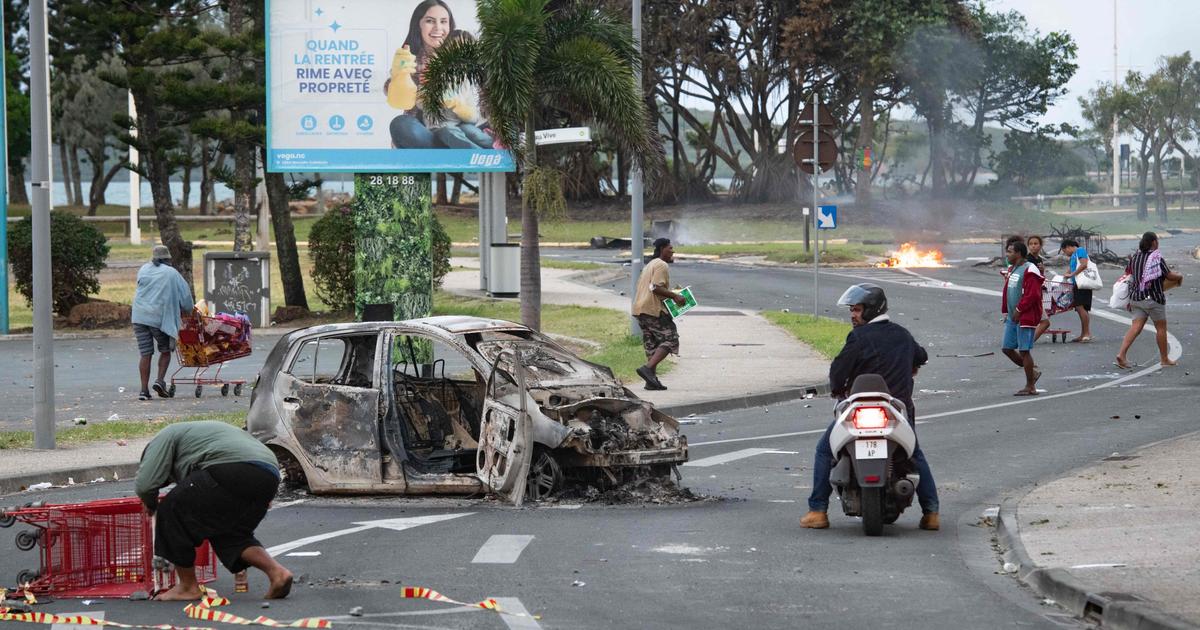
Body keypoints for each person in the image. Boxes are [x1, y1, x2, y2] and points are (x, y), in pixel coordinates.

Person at [800, 283, 940, 531]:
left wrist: (837, 390)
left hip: (859, 412)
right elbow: (922, 356)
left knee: (825, 451)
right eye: (851, 310)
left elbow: (838, 370)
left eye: (857, 310)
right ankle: (931, 514)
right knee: (913, 454)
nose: (853, 315)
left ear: (872, 310)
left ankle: (818, 511)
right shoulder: (902, 335)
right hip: (896, 412)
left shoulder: (859, 337)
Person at [136, 421, 293, 601]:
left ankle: (188, 587)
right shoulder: (198, 436)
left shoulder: (162, 439)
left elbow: (145, 484)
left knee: (171, 510)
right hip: (268, 474)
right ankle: (278, 573)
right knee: (230, 533)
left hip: (232, 467)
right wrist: (262, 492)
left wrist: (151, 503)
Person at [386, 0, 491, 149]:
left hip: (469, 126)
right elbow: (406, 102)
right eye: (430, 21)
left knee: (477, 131)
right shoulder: (409, 59)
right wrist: (400, 76)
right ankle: (452, 154)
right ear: (418, 25)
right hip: (433, 130)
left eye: (443, 21)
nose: (438, 28)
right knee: (402, 124)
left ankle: (466, 153)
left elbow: (482, 103)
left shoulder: (464, 45)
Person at [131, 245, 193, 400]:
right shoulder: (172, 273)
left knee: (145, 353)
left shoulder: (144, 268)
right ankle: (160, 381)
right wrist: (189, 311)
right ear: (168, 259)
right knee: (165, 350)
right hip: (158, 317)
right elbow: (186, 299)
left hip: (139, 316)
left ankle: (144, 391)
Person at [1115, 232, 1182, 369]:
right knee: (1161, 328)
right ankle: (1164, 359)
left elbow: (1129, 273)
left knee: (1135, 327)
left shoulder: (1135, 257)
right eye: (1157, 240)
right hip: (1153, 299)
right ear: (1153, 242)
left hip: (1136, 298)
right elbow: (1168, 275)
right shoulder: (1156, 257)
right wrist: (1179, 276)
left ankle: (1121, 354)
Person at [632, 238, 686, 391]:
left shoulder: (650, 264)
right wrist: (675, 296)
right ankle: (648, 369)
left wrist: (670, 294)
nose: (672, 251)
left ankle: (651, 382)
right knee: (671, 339)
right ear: (662, 249)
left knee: (652, 345)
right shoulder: (662, 265)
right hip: (652, 310)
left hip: (640, 309)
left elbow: (648, 286)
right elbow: (655, 287)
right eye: (670, 248)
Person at [1001, 241, 1044, 396]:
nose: (1007, 254)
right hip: (1013, 316)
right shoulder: (1013, 269)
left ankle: (1030, 386)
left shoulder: (1030, 269)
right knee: (1006, 348)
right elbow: (1009, 290)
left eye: (1010, 252)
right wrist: (1006, 310)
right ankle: (1032, 373)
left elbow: (1033, 294)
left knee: (1024, 350)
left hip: (1025, 315)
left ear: (1019, 253)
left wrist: (1019, 309)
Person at [1060, 238, 1093, 342]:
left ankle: (1087, 333)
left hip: (1082, 284)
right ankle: (1083, 334)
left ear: (1068, 247)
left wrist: (1072, 274)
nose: (1065, 254)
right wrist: (1065, 277)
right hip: (1077, 284)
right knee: (1080, 309)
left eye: (1065, 251)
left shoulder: (1080, 251)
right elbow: (1071, 268)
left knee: (1080, 308)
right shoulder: (1073, 256)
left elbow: (1084, 264)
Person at [1026, 235, 1053, 342]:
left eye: (1036, 244)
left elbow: (1040, 277)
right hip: (1032, 294)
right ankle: (1028, 342)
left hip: (1037, 293)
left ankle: (1027, 342)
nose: (1033, 246)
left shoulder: (1039, 259)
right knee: (1045, 322)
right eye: (1031, 244)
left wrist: (1042, 270)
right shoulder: (1028, 260)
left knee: (1034, 320)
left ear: (1040, 246)